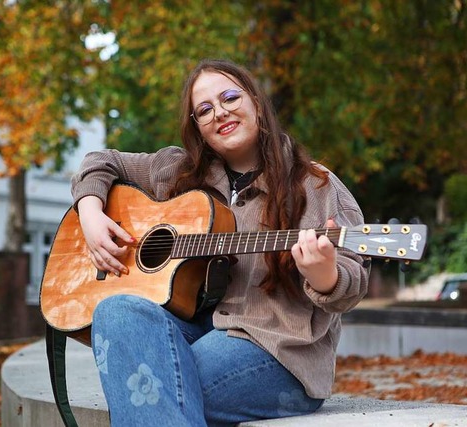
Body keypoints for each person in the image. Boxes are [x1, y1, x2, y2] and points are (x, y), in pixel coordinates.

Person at [70, 58, 370, 427]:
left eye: (230, 98)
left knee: (147, 380)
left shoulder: (314, 184)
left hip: (276, 352)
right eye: (205, 110)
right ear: (197, 127)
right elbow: (102, 161)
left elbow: (352, 281)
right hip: (195, 330)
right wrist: (91, 214)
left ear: (256, 104)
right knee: (115, 311)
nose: (220, 113)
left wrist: (325, 275)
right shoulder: (177, 172)